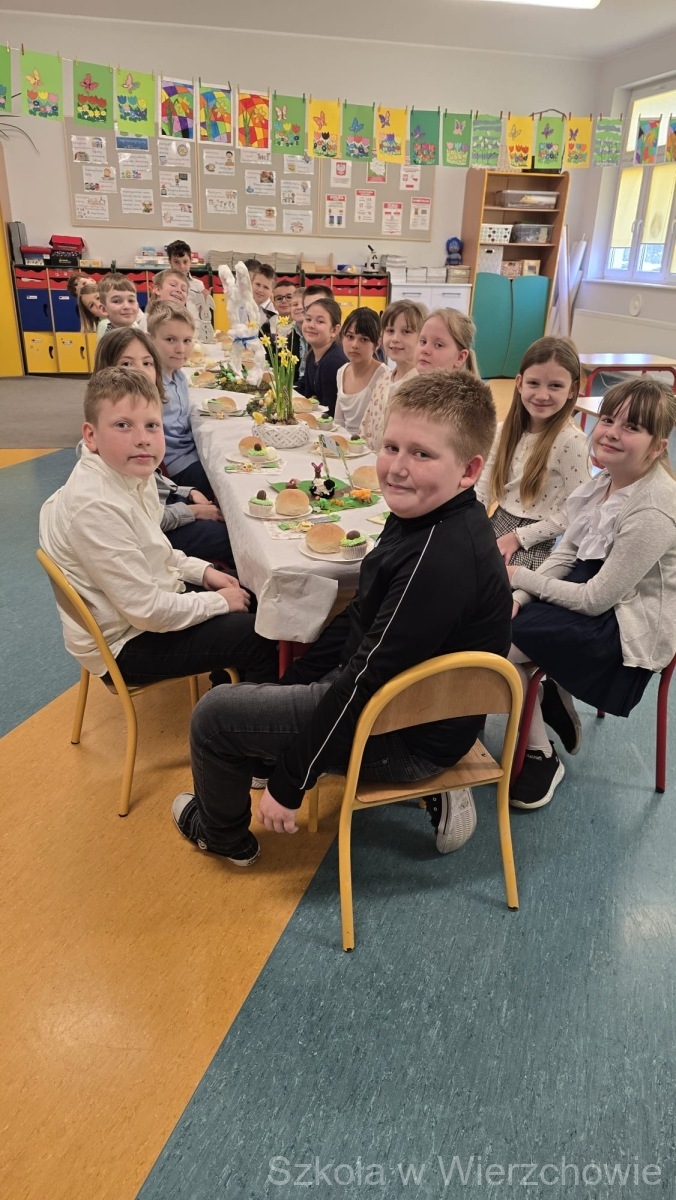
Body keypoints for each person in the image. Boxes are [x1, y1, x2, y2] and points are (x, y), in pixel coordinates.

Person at [171, 369, 512, 867]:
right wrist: (294, 684)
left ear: (468, 470)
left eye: (422, 454)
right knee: (274, 674)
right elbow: (361, 616)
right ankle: (267, 749)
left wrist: (292, 781)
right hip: (410, 706)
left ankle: (221, 836)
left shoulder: (437, 559)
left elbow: (365, 679)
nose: (397, 468)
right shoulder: (429, 516)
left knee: (213, 717)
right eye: (391, 447)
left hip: (406, 733)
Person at [39, 367, 277, 689]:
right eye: (123, 425)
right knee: (261, 637)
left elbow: (158, 551)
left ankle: (226, 683)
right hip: (126, 643)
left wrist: (204, 572)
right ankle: (234, 714)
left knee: (256, 593)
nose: (142, 438)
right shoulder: (95, 507)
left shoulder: (134, 474)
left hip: (142, 607)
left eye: (152, 425)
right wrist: (219, 602)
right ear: (91, 436)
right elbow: (147, 611)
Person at [507, 377, 676, 810]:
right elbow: (567, 555)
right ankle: (546, 694)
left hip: (626, 624)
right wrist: (519, 597)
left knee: (500, 650)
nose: (612, 433)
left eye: (631, 427)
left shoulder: (654, 506)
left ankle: (541, 755)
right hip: (594, 589)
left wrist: (518, 577)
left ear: (658, 447)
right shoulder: (605, 481)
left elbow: (596, 600)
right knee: (495, 624)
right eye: (608, 419)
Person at [94, 328, 235, 569]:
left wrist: (186, 491)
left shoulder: (145, 412)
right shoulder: (110, 439)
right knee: (228, 537)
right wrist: (192, 511)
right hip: (150, 532)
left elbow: (154, 478)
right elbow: (141, 518)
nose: (140, 371)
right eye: (126, 364)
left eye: (147, 363)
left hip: (161, 508)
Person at [476, 337, 589, 570]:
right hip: (495, 524)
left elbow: (580, 511)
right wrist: (471, 521)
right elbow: (484, 484)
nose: (542, 395)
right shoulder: (503, 430)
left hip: (534, 543)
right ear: (519, 384)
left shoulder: (572, 442)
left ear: (572, 390)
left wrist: (518, 537)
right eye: (534, 383)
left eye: (555, 386)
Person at [147, 301, 215, 500]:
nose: (180, 349)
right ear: (150, 340)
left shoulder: (180, 377)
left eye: (187, 341)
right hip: (174, 465)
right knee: (224, 484)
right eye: (170, 340)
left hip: (191, 454)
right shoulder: (152, 384)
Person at [360, 300, 427, 451]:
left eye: (406, 332)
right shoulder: (383, 379)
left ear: (422, 338)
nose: (395, 339)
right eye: (390, 331)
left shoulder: (422, 386)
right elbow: (366, 424)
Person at [334, 307, 388, 433]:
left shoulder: (384, 376)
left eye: (364, 339)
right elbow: (338, 422)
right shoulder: (341, 371)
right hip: (345, 441)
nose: (355, 345)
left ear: (377, 344)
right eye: (350, 337)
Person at [295, 296, 348, 417]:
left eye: (319, 321)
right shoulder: (312, 355)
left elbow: (329, 412)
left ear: (334, 330)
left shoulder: (333, 362)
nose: (311, 325)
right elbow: (307, 394)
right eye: (308, 319)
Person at [166, 239, 215, 344]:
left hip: (196, 333)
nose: (182, 267)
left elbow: (203, 314)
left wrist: (205, 302)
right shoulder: (164, 284)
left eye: (185, 262)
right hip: (172, 333)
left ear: (190, 260)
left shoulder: (198, 285)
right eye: (176, 262)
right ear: (170, 262)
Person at [97, 272, 147, 341]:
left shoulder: (139, 334)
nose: (127, 306)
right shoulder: (111, 342)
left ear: (138, 305)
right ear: (103, 309)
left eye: (131, 300)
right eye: (117, 301)